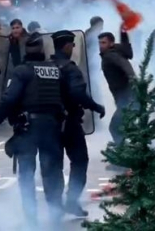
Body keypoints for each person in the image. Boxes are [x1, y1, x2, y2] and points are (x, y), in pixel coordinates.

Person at [0, 33, 66, 227]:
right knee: (52, 173)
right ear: (42, 50)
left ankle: (31, 218)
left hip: (28, 128)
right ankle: (55, 215)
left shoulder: (22, 71)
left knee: (26, 175)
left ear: (26, 51)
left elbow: (9, 99)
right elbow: (66, 97)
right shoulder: (56, 70)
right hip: (52, 127)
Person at [53, 30, 105, 216]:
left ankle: (55, 205)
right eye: (72, 45)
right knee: (80, 161)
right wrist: (96, 106)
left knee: (53, 165)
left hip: (49, 125)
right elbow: (78, 94)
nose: (73, 48)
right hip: (69, 123)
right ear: (67, 46)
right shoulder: (70, 68)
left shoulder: (46, 67)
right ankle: (71, 201)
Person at [98, 30, 135, 145]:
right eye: (99, 43)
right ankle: (132, 154)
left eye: (103, 43)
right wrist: (124, 34)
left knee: (114, 128)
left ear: (111, 44)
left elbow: (124, 65)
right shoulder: (116, 52)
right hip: (125, 99)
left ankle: (124, 156)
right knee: (130, 129)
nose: (100, 46)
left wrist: (133, 78)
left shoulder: (111, 55)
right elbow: (128, 53)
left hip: (128, 99)